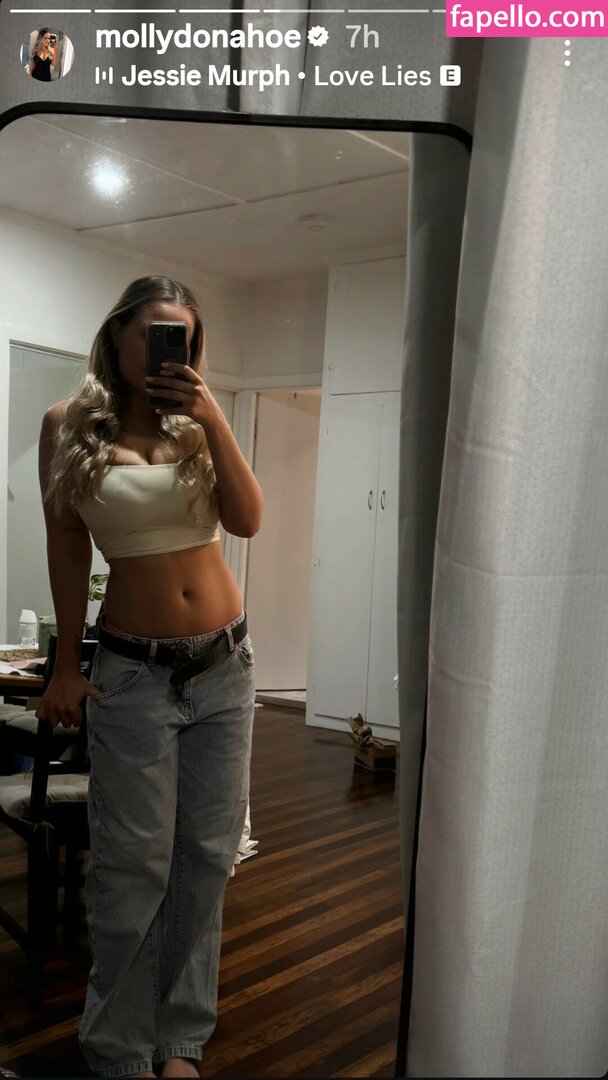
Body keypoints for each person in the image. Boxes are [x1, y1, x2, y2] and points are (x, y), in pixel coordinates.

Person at [36, 276, 263, 1079]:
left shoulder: (197, 427)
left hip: (224, 667)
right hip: (133, 673)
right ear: (118, 333)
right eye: (156, 333)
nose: (170, 351)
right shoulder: (67, 424)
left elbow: (247, 519)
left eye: (185, 340)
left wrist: (214, 417)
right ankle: (120, 1045)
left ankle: (180, 1039)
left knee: (206, 857)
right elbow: (67, 543)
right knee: (132, 866)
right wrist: (68, 664)